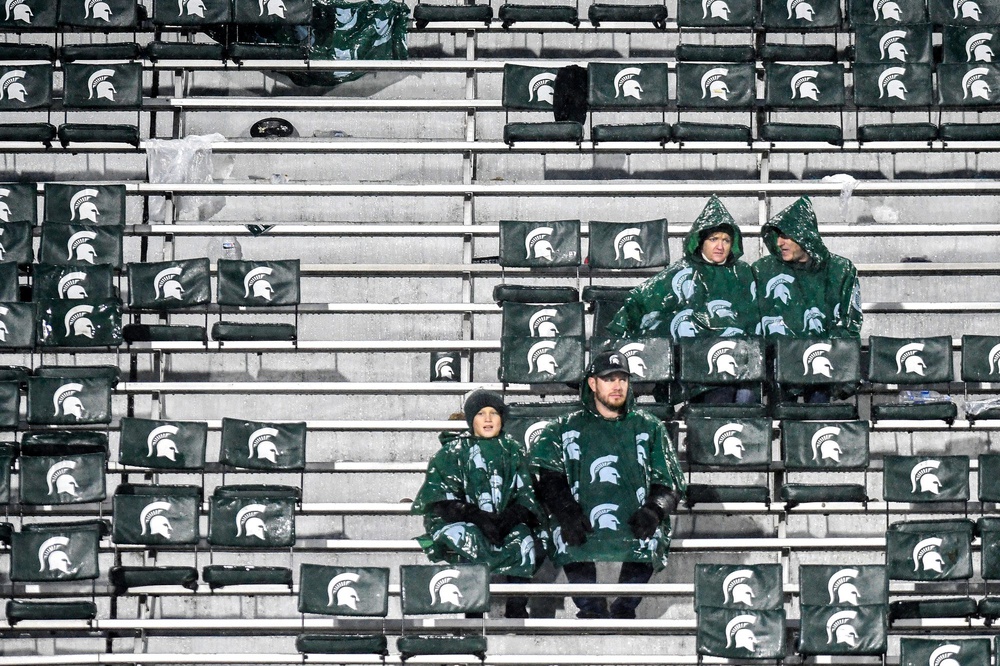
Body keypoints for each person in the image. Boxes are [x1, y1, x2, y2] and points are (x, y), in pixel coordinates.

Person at [529, 351, 686, 619]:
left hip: (633, 514)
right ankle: (591, 609)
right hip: (583, 515)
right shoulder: (562, 428)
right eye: (608, 379)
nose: (617, 386)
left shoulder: (650, 427)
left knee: (654, 534)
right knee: (562, 533)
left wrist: (654, 510)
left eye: (622, 379)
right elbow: (549, 478)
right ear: (592, 384)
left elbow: (669, 481)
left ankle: (624, 609)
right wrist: (566, 511)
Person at [606, 195, 759, 403]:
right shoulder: (681, 272)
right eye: (713, 239)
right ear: (700, 241)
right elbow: (641, 300)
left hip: (741, 365)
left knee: (748, 397)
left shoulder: (743, 273)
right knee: (720, 397)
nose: (720, 246)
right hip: (698, 370)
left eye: (726, 240)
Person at [411, 389, 546, 618]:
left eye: (494, 413)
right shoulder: (452, 451)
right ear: (471, 419)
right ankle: (472, 612)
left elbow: (526, 493)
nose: (488, 419)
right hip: (466, 520)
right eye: (481, 414)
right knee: (467, 537)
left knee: (522, 537)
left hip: (504, 520)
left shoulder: (513, 450)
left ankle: (517, 608)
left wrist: (510, 517)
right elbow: (441, 497)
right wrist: (476, 516)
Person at [752, 196, 863, 401]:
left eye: (786, 237)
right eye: (778, 236)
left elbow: (848, 322)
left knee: (816, 420)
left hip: (822, 363)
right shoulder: (763, 270)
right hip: (777, 367)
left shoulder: (840, 270)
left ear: (804, 237)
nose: (779, 243)